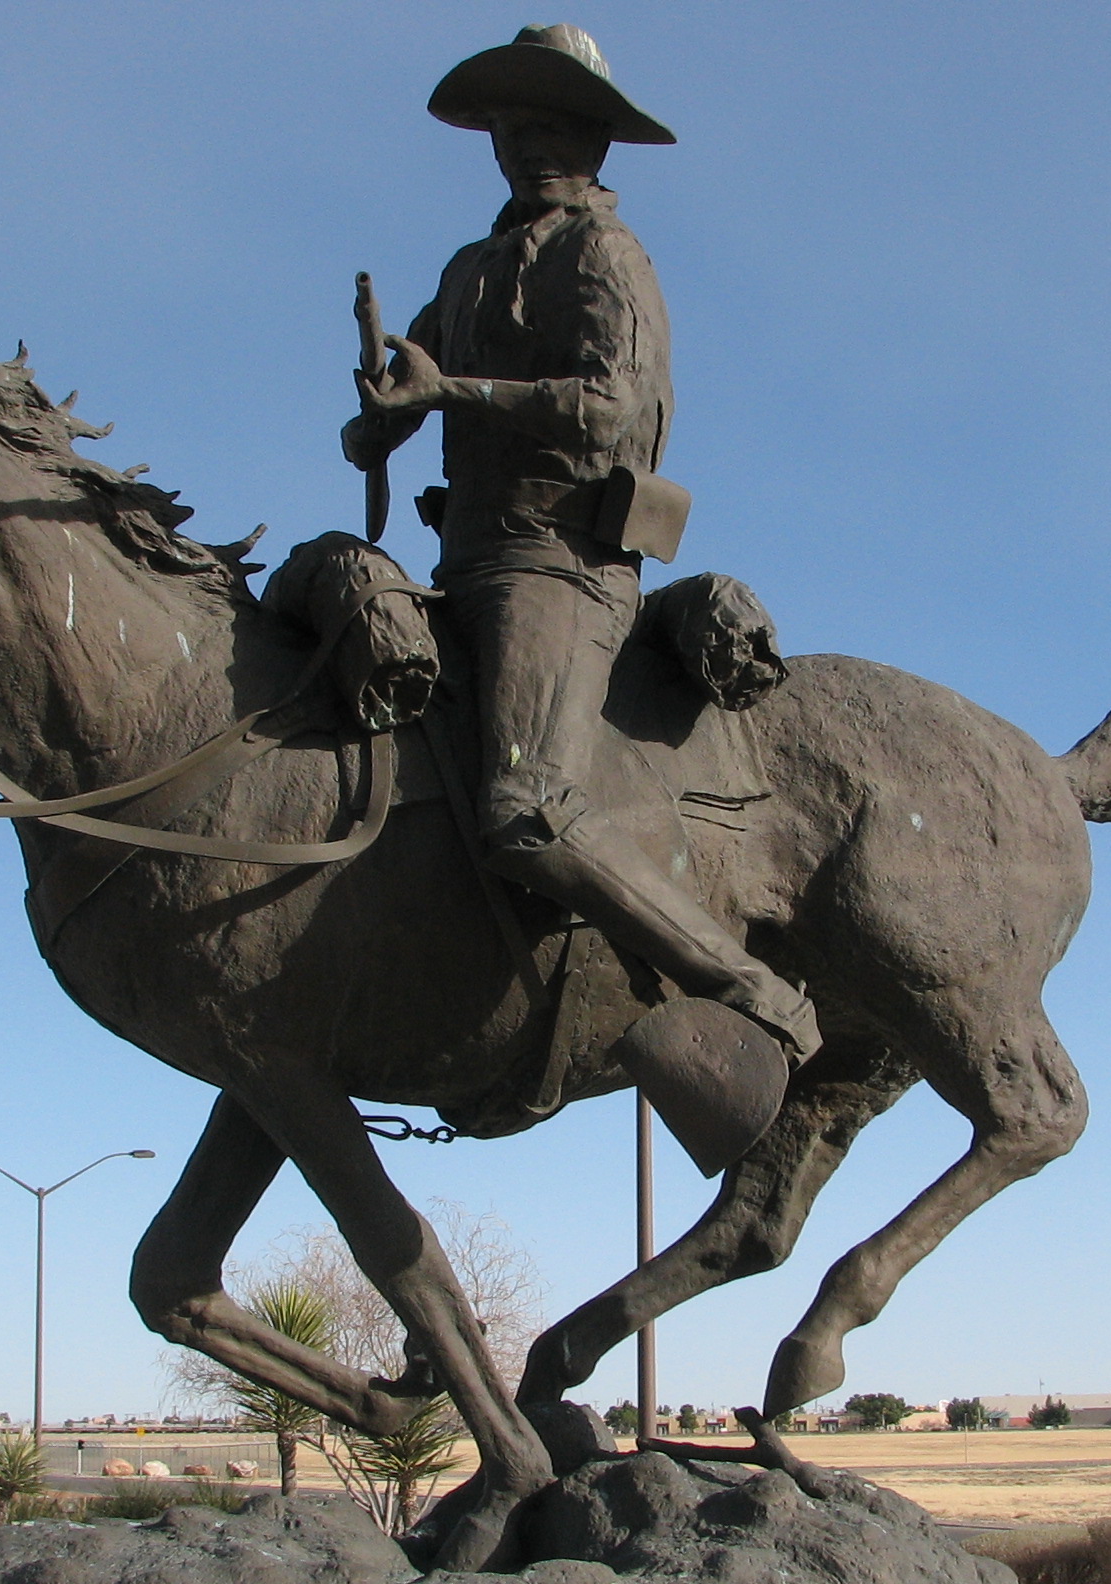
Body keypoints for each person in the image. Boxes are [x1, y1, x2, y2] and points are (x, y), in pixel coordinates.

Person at [344, 24, 819, 1063]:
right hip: (457, 563)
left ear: (596, 143)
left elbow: (611, 409)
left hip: (558, 567)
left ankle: (753, 997)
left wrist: (450, 391)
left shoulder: (605, 255)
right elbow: (408, 387)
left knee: (524, 807)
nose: (525, 142)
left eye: (549, 123)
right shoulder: (468, 268)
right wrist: (381, 418)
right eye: (510, 124)